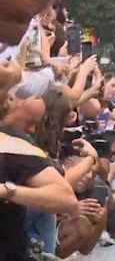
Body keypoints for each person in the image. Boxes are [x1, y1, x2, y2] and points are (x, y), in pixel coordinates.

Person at [0, 96, 78, 260]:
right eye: (29, 122)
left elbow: (66, 197)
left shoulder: (12, 144)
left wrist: (7, 191)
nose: (32, 130)